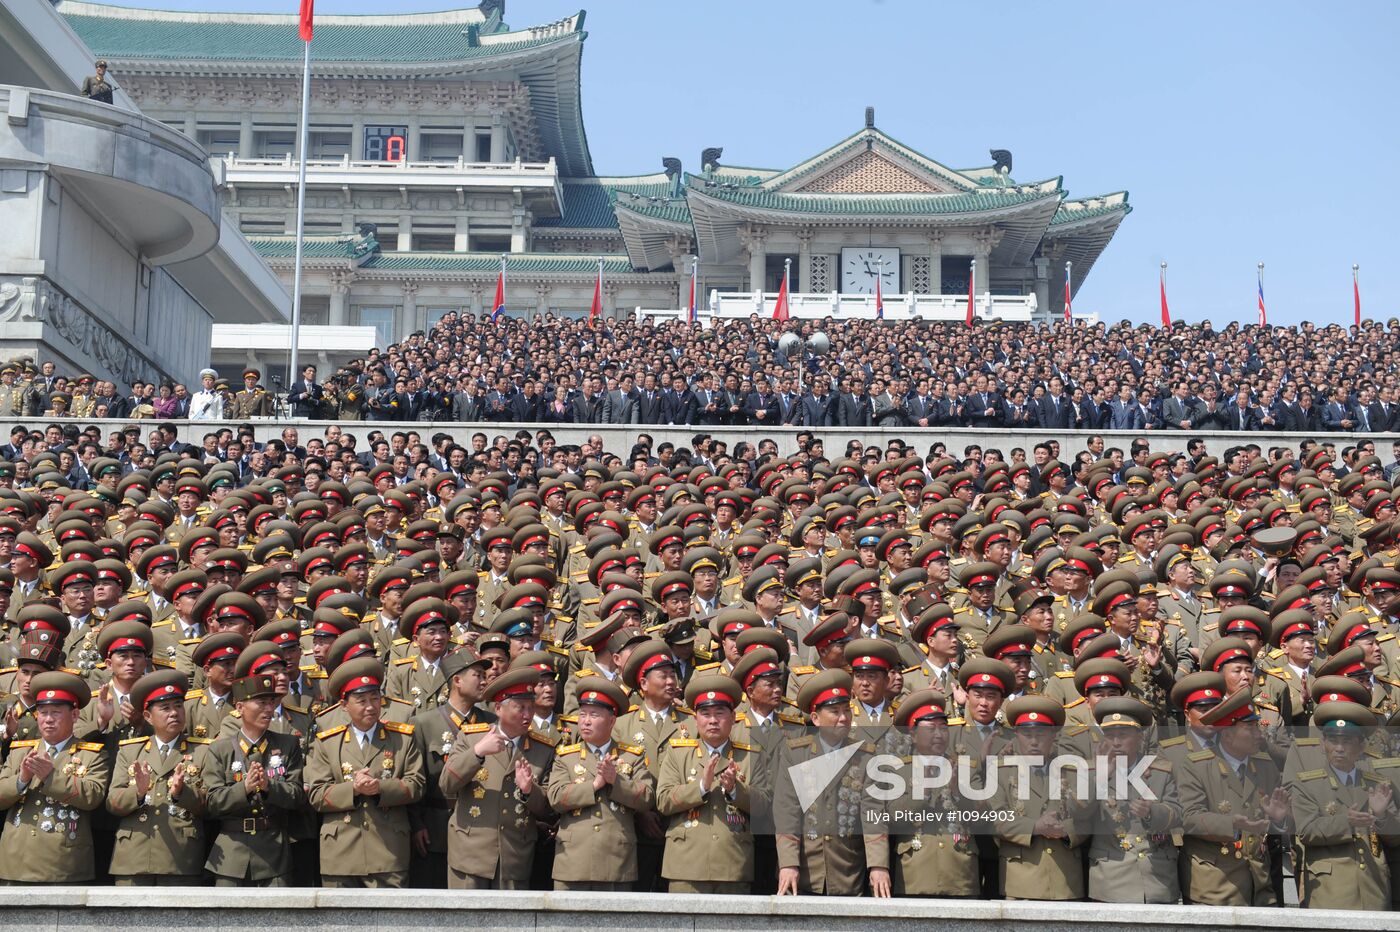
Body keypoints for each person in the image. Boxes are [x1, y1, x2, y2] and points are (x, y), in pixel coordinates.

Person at [305, 656, 425, 888]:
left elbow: (417, 784)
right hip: (340, 852)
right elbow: (316, 794)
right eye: (361, 700)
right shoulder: (328, 742)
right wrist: (354, 789)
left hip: (388, 850)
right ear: (343, 705)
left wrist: (381, 788)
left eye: (375, 698)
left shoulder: (401, 738)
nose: (370, 706)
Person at [772, 668, 891, 896]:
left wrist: (878, 865)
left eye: (847, 710)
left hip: (847, 870)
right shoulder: (796, 754)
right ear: (815, 718)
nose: (843, 718)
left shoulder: (865, 756)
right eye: (835, 712)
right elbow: (787, 811)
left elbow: (873, 813)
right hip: (805, 870)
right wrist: (788, 863)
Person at [438, 666, 555, 889]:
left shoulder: (543, 749)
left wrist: (530, 790)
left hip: (514, 857)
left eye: (531, 707)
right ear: (499, 708)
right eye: (520, 707)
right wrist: (477, 753)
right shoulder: (472, 738)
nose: (527, 715)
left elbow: (549, 807)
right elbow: (447, 784)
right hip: (470, 852)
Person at [0, 671, 110, 883]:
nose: (48, 719)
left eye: (56, 712)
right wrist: (21, 779)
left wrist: (50, 777)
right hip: (16, 859)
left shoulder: (91, 754)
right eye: (43, 712)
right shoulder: (20, 751)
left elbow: (92, 797)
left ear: (75, 715)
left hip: (64, 862)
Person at [546, 678, 654, 891]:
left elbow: (647, 798)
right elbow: (555, 798)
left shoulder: (631, 756)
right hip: (573, 861)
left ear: (612, 721)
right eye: (583, 714)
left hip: (616, 861)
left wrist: (616, 781)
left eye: (593, 715)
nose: (585, 721)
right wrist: (594, 785)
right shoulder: (566, 756)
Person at [105, 669, 211, 885]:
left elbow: (211, 805)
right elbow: (112, 803)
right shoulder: (130, 751)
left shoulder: (203, 751)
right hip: (133, 857)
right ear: (147, 716)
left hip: (181, 858)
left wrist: (183, 793)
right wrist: (138, 792)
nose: (174, 713)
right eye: (165, 708)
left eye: (178, 706)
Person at [654, 672, 756, 893]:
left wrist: (735, 790)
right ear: (695, 719)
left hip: (733, 863)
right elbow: (662, 801)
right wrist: (701, 786)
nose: (712, 720)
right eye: (705, 713)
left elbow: (767, 806)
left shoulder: (749, 756)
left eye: (719, 713)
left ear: (734, 717)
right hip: (686, 865)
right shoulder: (678, 753)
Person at [202, 672, 307, 886]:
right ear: (239, 708)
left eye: (271, 702)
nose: (269, 709)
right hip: (231, 854)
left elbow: (297, 796)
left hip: (274, 854)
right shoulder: (220, 750)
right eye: (261, 703)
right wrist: (245, 789)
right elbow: (211, 802)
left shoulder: (288, 745)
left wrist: (269, 787)